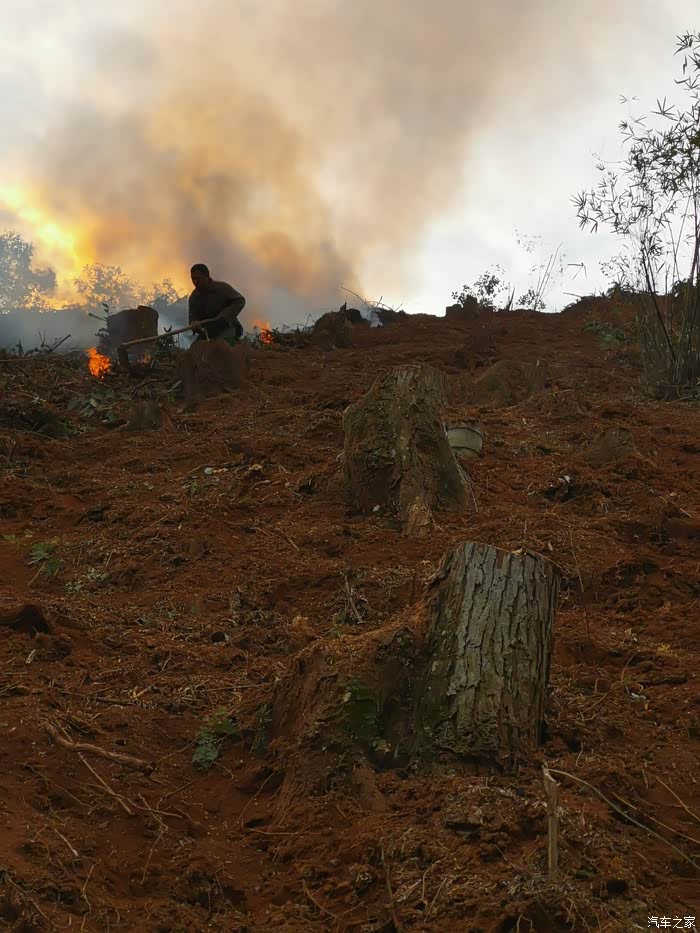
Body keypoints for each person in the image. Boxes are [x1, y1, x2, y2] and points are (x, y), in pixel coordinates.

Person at [188, 264, 246, 344]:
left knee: (222, 347)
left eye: (198, 279)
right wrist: (194, 323)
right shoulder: (194, 297)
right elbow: (192, 315)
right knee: (194, 351)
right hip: (209, 332)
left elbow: (240, 300)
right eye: (193, 279)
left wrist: (225, 315)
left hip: (229, 327)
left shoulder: (222, 288)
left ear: (206, 277)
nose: (195, 282)